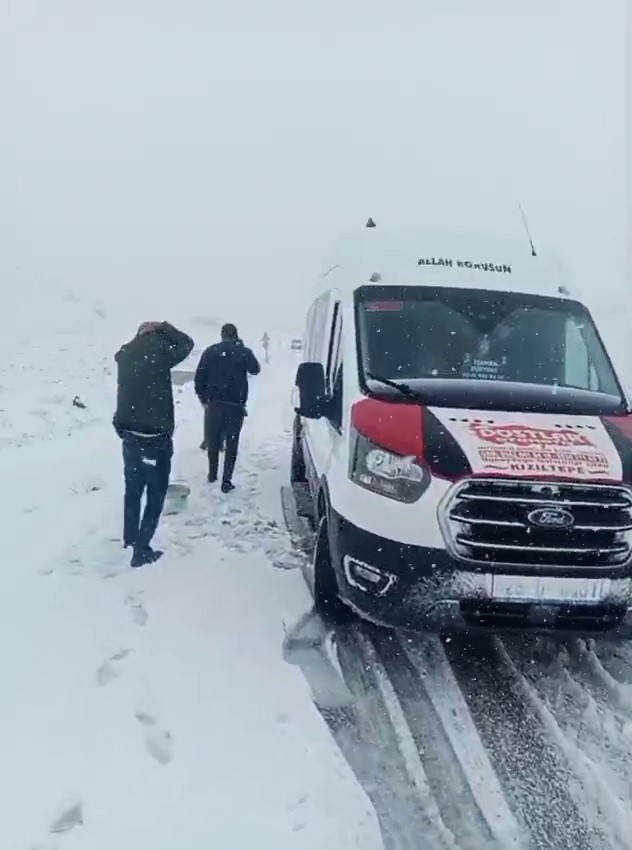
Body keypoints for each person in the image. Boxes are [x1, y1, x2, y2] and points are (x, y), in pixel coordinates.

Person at [113, 320, 194, 567]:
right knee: (156, 494)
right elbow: (187, 343)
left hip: (129, 434)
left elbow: (123, 390)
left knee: (133, 489)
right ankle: (141, 550)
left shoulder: (125, 354)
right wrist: (165, 326)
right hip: (156, 437)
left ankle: (130, 537)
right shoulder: (160, 352)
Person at [194, 323, 260, 492]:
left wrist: (204, 399)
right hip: (235, 405)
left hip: (214, 404)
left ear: (222, 335)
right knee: (232, 443)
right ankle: (226, 480)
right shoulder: (243, 352)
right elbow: (255, 370)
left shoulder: (211, 351)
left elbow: (199, 378)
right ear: (236, 335)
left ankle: (212, 474)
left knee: (213, 441)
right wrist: (242, 349)